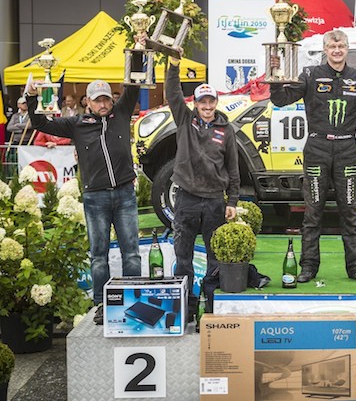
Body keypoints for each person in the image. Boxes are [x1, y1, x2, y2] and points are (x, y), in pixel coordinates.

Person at [270, 30, 356, 283]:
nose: (337, 50)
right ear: (325, 50)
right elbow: (281, 100)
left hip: (347, 150)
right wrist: (275, 77)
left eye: (341, 46)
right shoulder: (311, 75)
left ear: (347, 49)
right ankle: (308, 267)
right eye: (332, 47)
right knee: (313, 212)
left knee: (350, 211)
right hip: (317, 148)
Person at [26, 79, 141, 323]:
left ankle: (134, 301)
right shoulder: (76, 124)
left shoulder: (121, 113)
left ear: (112, 100)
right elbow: (40, 123)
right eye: (98, 100)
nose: (103, 104)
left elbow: (133, 85)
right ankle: (101, 305)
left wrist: (137, 56)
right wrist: (32, 97)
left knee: (131, 253)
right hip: (95, 197)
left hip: (124, 194)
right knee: (98, 255)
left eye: (106, 99)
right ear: (87, 101)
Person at [166, 49, 240, 316]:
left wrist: (232, 201)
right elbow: (172, 93)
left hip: (214, 201)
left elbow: (233, 168)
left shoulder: (227, 130)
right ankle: (184, 309)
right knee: (183, 257)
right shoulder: (185, 120)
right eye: (202, 102)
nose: (207, 107)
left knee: (214, 257)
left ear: (216, 103)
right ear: (195, 104)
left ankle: (210, 308)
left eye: (211, 102)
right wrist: (173, 65)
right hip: (186, 198)